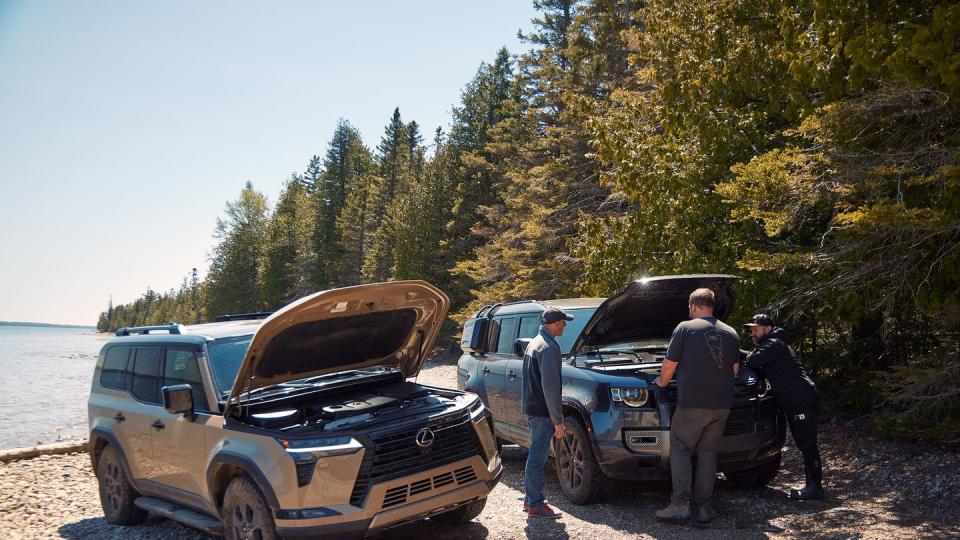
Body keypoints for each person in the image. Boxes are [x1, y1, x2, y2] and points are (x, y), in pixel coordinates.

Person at [655, 288, 740, 524]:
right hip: (722, 405)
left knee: (680, 448)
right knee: (708, 454)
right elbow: (734, 370)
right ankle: (704, 508)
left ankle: (680, 505)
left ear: (693, 306)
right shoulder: (730, 332)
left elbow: (670, 364)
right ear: (712, 306)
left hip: (693, 403)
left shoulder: (685, 328)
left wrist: (661, 382)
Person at [744, 313, 824, 500]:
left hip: (801, 399)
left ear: (768, 328)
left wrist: (746, 355)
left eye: (756, 329)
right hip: (797, 399)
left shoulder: (774, 344)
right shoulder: (773, 344)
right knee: (804, 442)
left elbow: (753, 360)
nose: (753, 333)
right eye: (751, 330)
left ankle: (815, 488)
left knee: (807, 443)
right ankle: (812, 485)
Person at [520, 306, 573, 519]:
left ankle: (529, 499)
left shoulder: (535, 342)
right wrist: (558, 421)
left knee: (535, 455)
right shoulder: (549, 348)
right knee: (537, 457)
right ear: (555, 323)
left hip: (532, 407)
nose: (565, 325)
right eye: (563, 321)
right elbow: (550, 389)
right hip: (542, 411)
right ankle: (535, 503)